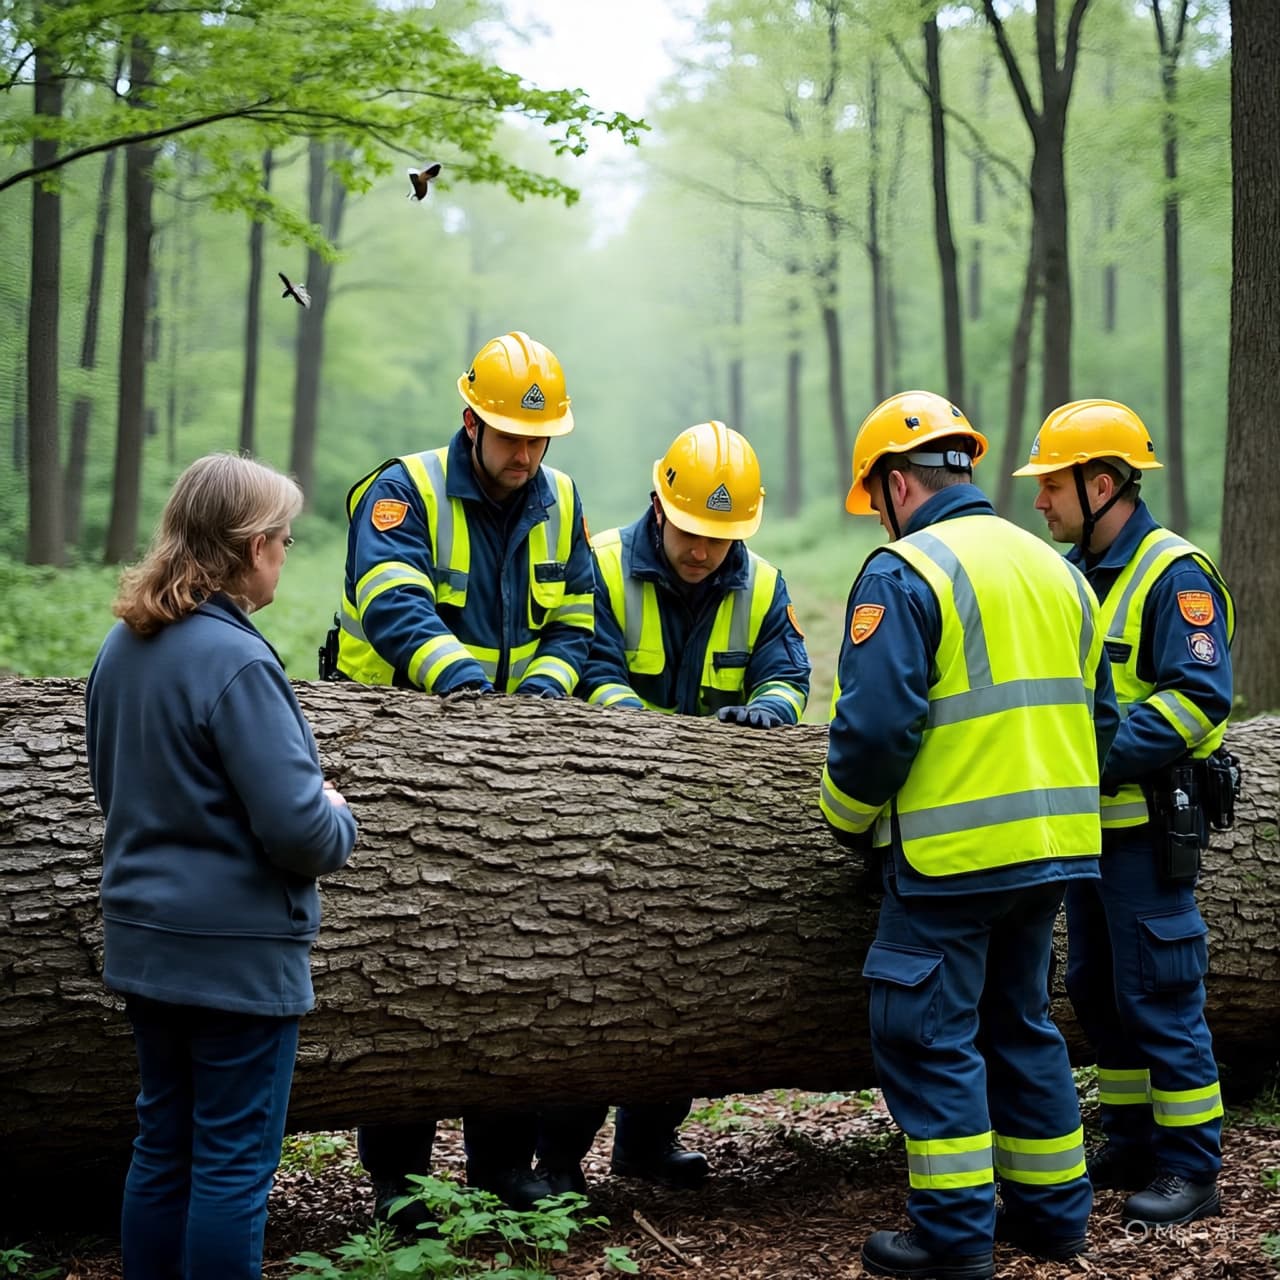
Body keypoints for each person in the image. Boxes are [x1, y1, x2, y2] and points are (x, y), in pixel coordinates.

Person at [820, 391, 1119, 1280]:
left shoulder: (908, 571)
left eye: (876, 499)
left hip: (952, 859)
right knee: (1020, 1025)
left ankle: (952, 1240)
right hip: (1055, 852)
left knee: (927, 1036)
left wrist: (842, 820)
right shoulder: (1059, 570)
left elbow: (874, 731)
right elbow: (1099, 722)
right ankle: (1057, 1217)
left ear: (897, 486)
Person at [329, 330, 596, 1222]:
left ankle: (500, 1166)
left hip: (510, 760)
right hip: (396, 750)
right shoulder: (402, 488)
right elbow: (387, 598)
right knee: (402, 967)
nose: (525, 456)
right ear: (470, 419)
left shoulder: (560, 499)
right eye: (510, 437)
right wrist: (463, 684)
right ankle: (398, 1181)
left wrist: (540, 703)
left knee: (519, 962)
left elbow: (578, 615)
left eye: (539, 439)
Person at [84, 454, 358, 1280]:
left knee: (163, 1147)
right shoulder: (237, 663)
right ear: (247, 548)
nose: (285, 551)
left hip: (146, 946)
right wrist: (337, 813)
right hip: (235, 959)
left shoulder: (121, 649)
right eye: (281, 537)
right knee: (233, 1167)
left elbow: (113, 788)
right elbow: (300, 831)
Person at [534, 419, 811, 1196]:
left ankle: (647, 1144)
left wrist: (771, 711)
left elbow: (787, 673)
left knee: (682, 993)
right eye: (691, 531)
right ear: (660, 505)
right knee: (597, 996)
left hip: (701, 827)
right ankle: (556, 1163)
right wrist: (652, 736)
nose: (701, 550)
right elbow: (587, 659)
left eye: (719, 538)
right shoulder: (607, 563)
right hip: (604, 818)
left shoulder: (762, 584)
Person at [1013, 399, 1235, 1229]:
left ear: (1101, 483)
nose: (1042, 503)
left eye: (1053, 487)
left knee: (1161, 994)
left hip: (1145, 830)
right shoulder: (1074, 573)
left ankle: (1192, 1166)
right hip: (1087, 835)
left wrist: (1095, 757)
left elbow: (1199, 698)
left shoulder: (1174, 574)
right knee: (1097, 990)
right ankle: (1136, 1138)